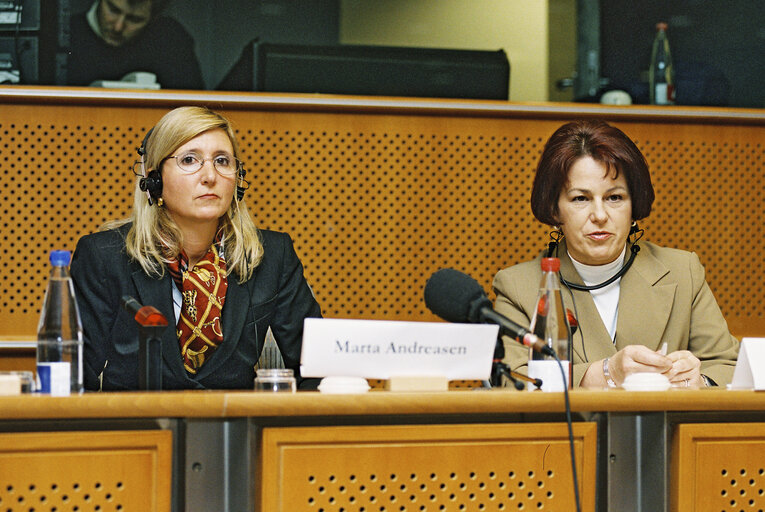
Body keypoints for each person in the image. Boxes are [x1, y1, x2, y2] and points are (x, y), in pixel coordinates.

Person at [71, 106, 321, 390]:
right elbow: (75, 380)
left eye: (222, 161)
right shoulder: (103, 257)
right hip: (137, 428)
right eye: (190, 160)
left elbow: (317, 368)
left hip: (236, 427)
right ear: (154, 180)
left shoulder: (273, 255)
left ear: (237, 180)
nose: (210, 176)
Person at [492, 119, 739, 389]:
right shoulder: (517, 287)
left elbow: (729, 365)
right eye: (580, 199)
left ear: (634, 207)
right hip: (571, 431)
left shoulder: (682, 271)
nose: (599, 216)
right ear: (555, 210)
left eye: (614, 198)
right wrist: (606, 373)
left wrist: (700, 381)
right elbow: (511, 379)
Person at [65, 0, 204, 90]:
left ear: (153, 19)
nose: (118, 27)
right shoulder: (66, 33)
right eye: (113, 10)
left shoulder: (172, 39)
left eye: (134, 19)